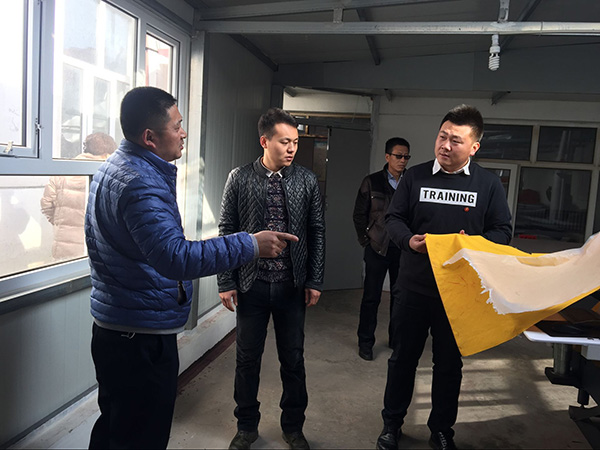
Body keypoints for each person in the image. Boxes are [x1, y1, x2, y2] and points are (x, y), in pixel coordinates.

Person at [85, 87, 297, 450]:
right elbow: (175, 257)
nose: (183, 133)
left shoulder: (115, 168)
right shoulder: (139, 183)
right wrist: (251, 245)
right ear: (149, 137)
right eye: (176, 126)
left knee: (115, 429)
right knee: (141, 437)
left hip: (119, 326)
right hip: (138, 337)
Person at [376, 105, 512, 450]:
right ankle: (391, 424)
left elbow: (502, 230)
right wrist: (409, 240)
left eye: (456, 140)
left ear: (474, 147)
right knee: (402, 359)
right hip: (414, 287)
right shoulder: (415, 177)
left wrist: (475, 244)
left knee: (449, 365)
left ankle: (441, 429)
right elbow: (393, 219)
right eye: (442, 136)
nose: (445, 145)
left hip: (459, 294)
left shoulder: (488, 184)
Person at [218, 107, 325, 450]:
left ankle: (293, 428)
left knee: (293, 360)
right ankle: (246, 427)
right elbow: (227, 230)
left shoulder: (306, 180)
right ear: (264, 142)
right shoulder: (239, 178)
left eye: (295, 142)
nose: (291, 148)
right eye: (284, 142)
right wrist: (226, 281)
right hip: (252, 285)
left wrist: (315, 279)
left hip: (292, 286)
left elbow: (317, 231)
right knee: (246, 360)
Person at [353, 137, 410, 361]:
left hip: (402, 249)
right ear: (387, 157)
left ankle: (396, 340)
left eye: (406, 157)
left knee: (400, 298)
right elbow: (359, 214)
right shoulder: (372, 182)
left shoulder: (411, 182)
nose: (402, 160)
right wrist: (366, 241)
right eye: (398, 156)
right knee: (371, 298)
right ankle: (365, 343)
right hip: (376, 247)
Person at [41, 132, 116, 260]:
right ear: (109, 151)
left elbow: (46, 204)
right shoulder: (110, 174)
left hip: (63, 246)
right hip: (97, 246)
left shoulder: (63, 171)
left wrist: (61, 222)